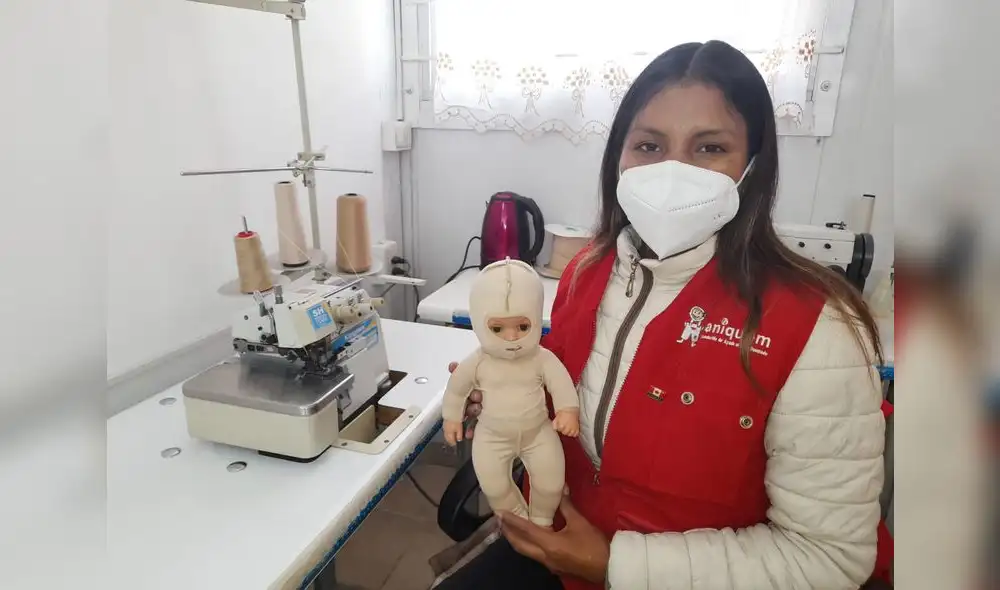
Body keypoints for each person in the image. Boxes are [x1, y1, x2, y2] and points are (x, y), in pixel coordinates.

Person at [436, 40, 888, 590]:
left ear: (751, 167)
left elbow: (826, 557)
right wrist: (510, 394)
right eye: (648, 145)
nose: (672, 171)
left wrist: (613, 566)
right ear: (619, 159)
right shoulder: (588, 272)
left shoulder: (819, 329)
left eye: (709, 148)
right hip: (555, 544)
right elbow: (567, 393)